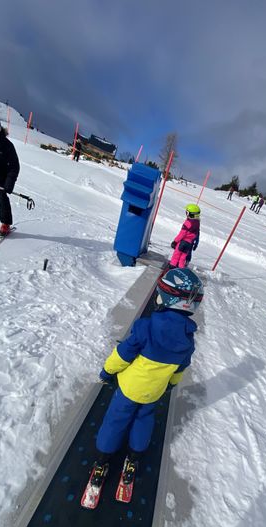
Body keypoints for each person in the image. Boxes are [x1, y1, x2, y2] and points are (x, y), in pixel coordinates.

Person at [88, 267, 204, 486]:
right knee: (144, 420)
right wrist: (170, 384)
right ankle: (133, 460)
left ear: (166, 298)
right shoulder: (188, 341)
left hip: (128, 389)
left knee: (115, 421)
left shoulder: (146, 327)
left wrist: (107, 372)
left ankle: (102, 461)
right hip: (153, 392)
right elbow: (180, 369)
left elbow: (122, 355)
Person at [169, 204, 201, 268]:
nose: (186, 213)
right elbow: (196, 234)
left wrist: (175, 241)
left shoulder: (188, 222)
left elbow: (182, 233)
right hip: (189, 243)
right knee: (183, 257)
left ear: (191, 214)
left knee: (176, 254)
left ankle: (172, 266)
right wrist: (195, 243)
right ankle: (180, 267)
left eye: (187, 212)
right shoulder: (197, 223)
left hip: (183, 242)